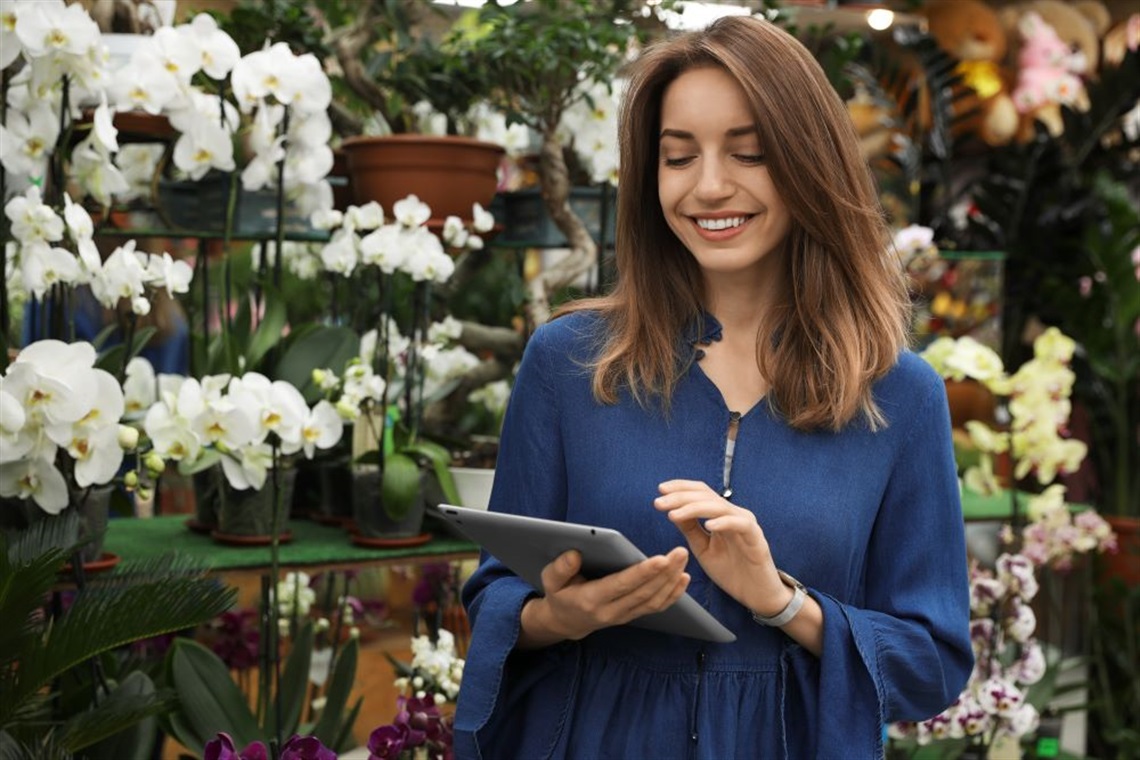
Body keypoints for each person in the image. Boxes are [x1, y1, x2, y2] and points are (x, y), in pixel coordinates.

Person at [455, 15, 973, 760]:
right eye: (677, 156)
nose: (708, 187)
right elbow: (495, 598)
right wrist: (561, 615)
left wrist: (782, 601)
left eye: (750, 153)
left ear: (809, 163)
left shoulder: (899, 395)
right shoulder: (569, 363)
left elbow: (932, 664)